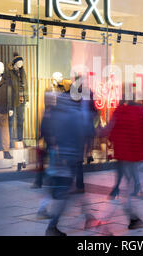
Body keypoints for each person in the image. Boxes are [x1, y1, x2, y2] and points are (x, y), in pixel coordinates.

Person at [42, 85, 96, 236]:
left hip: (59, 156)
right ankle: (52, 226)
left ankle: (85, 216)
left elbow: (48, 131)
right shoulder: (75, 112)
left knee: (66, 190)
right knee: (67, 192)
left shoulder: (57, 110)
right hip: (71, 158)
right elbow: (85, 132)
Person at [106, 84, 143, 230]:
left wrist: (112, 143)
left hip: (121, 153)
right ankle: (133, 217)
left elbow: (112, 131)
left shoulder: (119, 110)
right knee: (131, 186)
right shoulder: (139, 111)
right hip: (134, 153)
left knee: (128, 182)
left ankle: (132, 211)